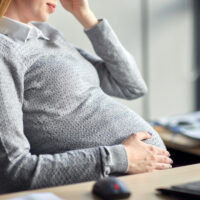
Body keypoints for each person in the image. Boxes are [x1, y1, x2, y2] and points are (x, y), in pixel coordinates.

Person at [0, 0, 172, 194]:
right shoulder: (4, 51)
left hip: (148, 181)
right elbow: (13, 170)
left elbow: (132, 85)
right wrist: (120, 158)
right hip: (104, 187)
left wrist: (84, 14)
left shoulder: (45, 34)